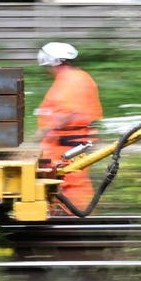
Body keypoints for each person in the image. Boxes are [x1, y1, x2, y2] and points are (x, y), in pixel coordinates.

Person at [35, 41, 102, 214]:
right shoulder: (76, 77)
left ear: (53, 61)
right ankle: (66, 215)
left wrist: (45, 130)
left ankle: (75, 218)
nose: (47, 69)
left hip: (68, 143)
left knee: (71, 180)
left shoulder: (71, 81)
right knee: (63, 179)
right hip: (68, 142)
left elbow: (69, 112)